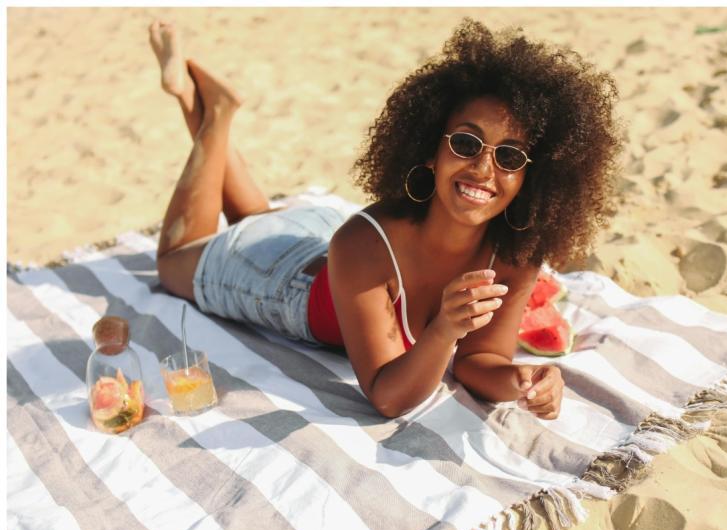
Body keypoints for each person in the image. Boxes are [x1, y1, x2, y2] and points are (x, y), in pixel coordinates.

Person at [149, 18, 621, 420]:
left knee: (255, 216)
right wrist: (444, 330)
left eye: (511, 156)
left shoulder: (516, 252)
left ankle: (211, 108)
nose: (483, 169)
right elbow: (387, 395)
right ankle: (215, 117)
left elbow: (482, 359)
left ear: (531, 179)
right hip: (283, 280)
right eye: (466, 143)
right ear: (431, 149)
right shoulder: (365, 241)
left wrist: (521, 379)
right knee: (172, 261)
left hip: (317, 236)